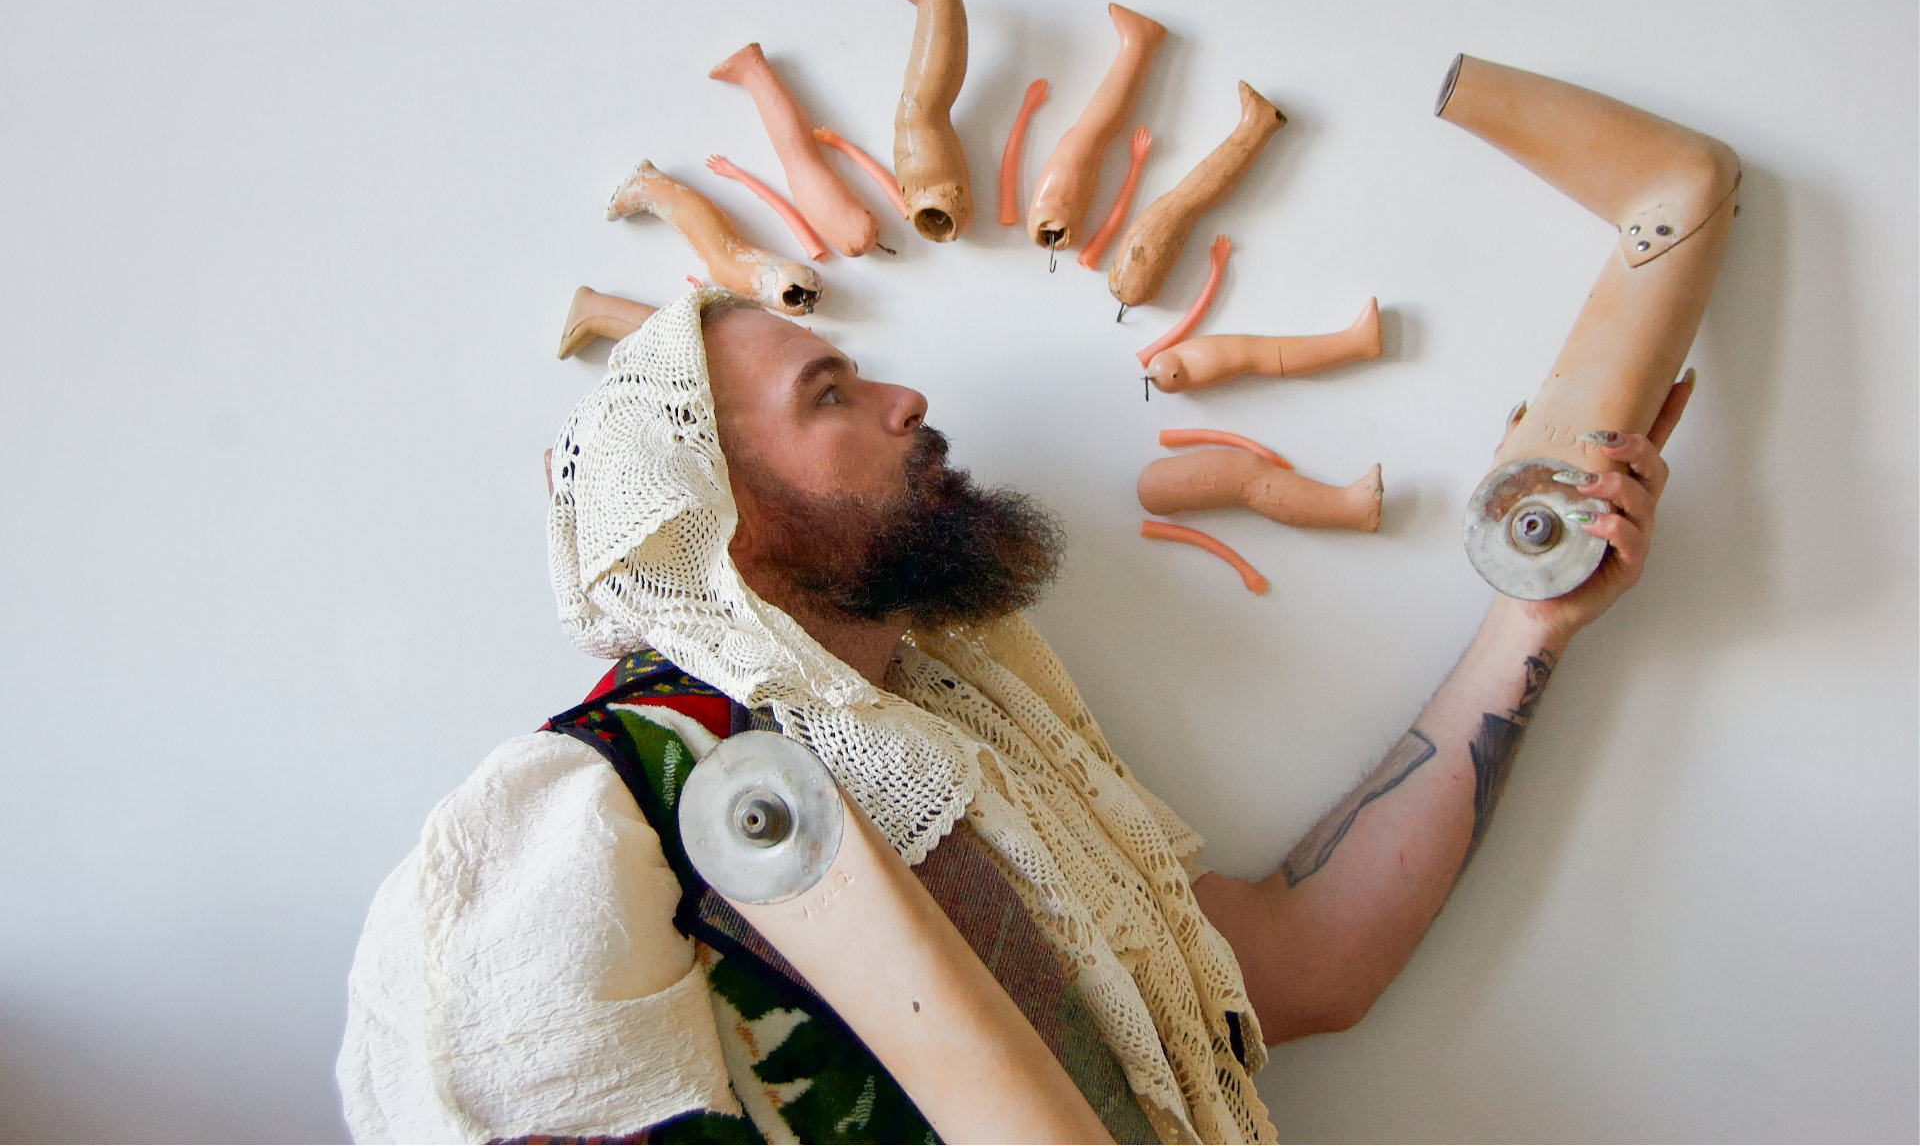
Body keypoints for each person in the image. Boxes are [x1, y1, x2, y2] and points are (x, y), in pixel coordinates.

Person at [337, 287, 1691, 1145]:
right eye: (830, 397)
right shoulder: (614, 800)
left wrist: (1532, 625)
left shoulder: (966, 737)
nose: (906, 398)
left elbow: (1299, 971)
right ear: (722, 523)